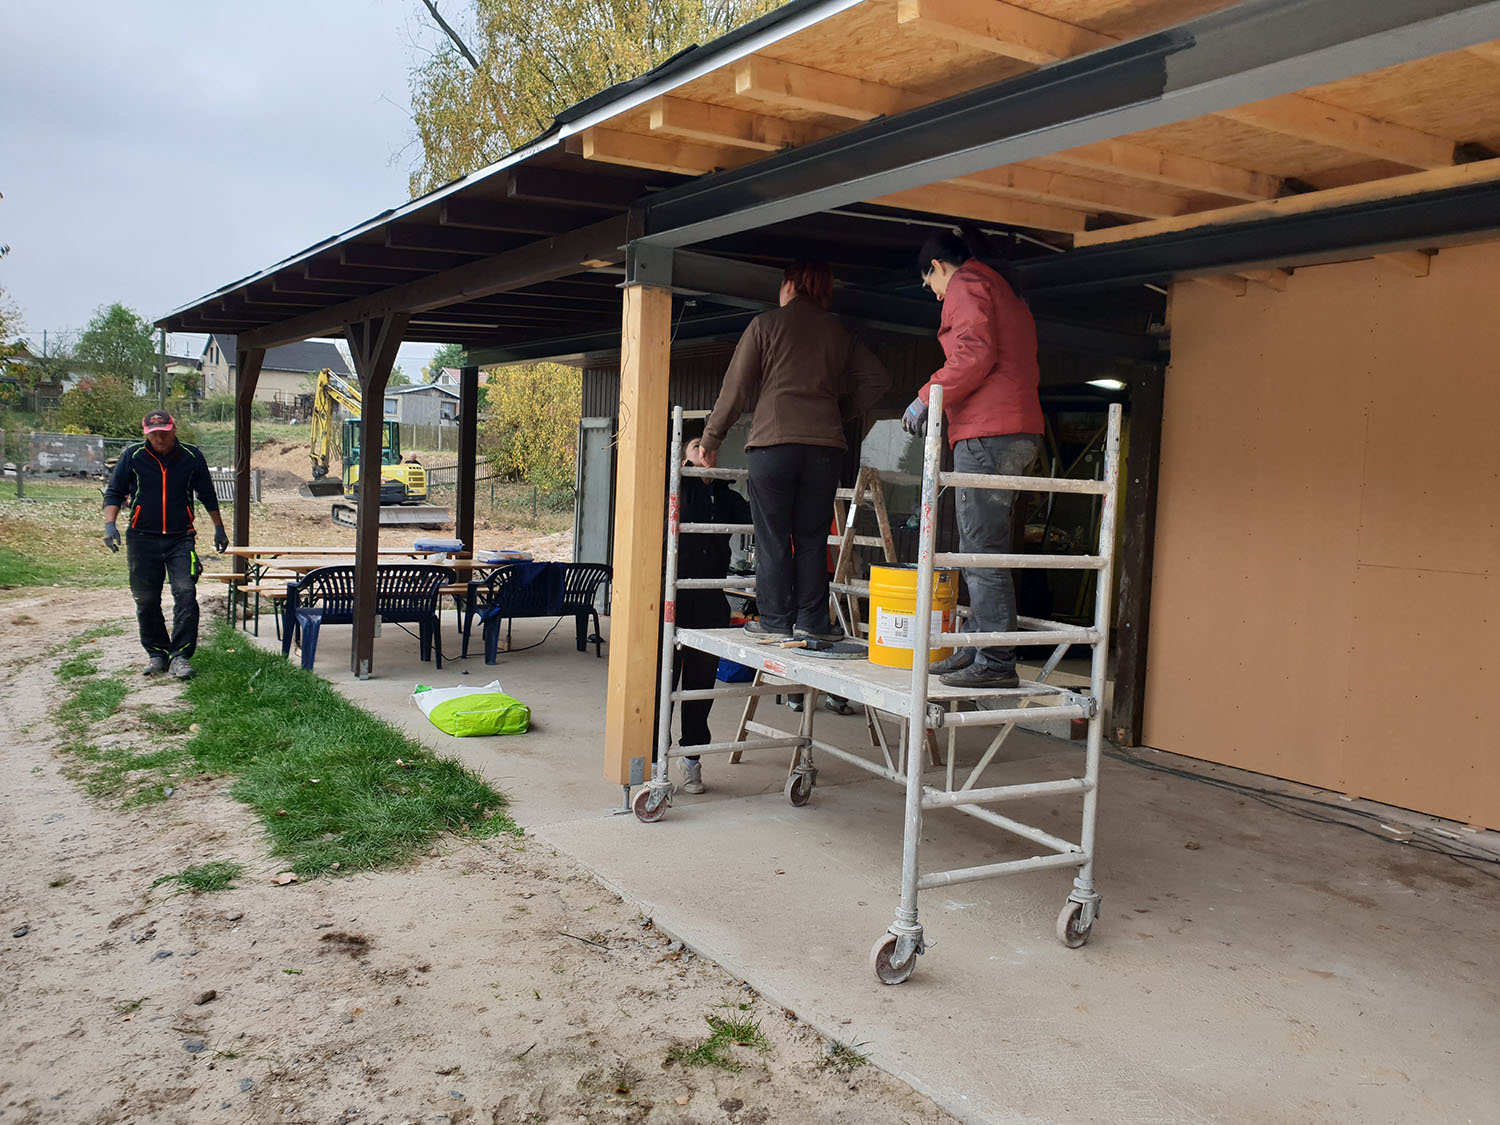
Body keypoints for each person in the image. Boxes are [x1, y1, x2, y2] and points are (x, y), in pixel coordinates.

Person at [694, 261, 889, 642]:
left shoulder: (765, 325)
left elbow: (736, 388)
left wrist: (711, 439)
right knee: (813, 538)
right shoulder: (838, 331)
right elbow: (878, 379)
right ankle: (813, 620)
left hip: (773, 447)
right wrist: (838, 411)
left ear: (789, 286)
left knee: (773, 537)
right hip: (824, 450)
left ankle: (775, 620)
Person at [903, 227, 1043, 689]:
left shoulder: (966, 283)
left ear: (937, 267)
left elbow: (971, 353)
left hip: (987, 431)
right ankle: (977, 645)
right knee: (985, 544)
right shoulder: (1004, 289)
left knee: (980, 549)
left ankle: (995, 659)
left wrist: (927, 396)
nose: (935, 294)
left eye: (930, 283)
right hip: (1019, 429)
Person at [102, 410, 229, 680]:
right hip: (141, 538)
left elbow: (207, 493)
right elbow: (114, 491)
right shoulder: (133, 456)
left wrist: (219, 528)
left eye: (164, 433)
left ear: (174, 429)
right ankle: (157, 652)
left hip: (180, 537)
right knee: (146, 599)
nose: (159, 439)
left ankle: (180, 656)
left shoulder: (192, 456)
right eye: (154, 434)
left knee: (185, 593)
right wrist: (110, 525)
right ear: (145, 433)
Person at [669, 424, 753, 794]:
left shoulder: (726, 495)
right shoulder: (674, 487)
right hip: (672, 598)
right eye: (698, 447)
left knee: (700, 686)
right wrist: (683, 470)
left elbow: (755, 518)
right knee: (663, 681)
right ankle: (655, 759)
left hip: (709, 600)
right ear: (683, 456)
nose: (707, 454)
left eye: (711, 449)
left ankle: (692, 759)